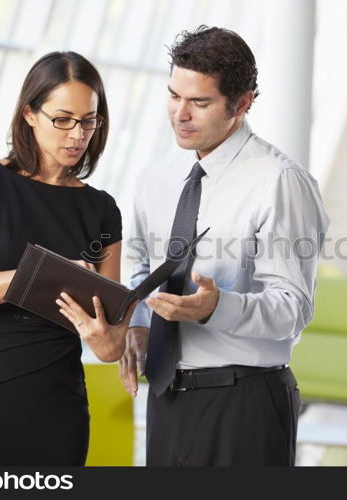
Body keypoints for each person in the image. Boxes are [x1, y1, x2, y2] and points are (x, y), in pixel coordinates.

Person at [119, 26, 330, 466]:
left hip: (245, 403)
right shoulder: (154, 177)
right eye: (174, 95)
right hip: (166, 399)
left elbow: (293, 308)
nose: (180, 114)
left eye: (199, 103)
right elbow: (141, 264)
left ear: (242, 103)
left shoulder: (278, 181)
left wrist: (216, 308)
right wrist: (139, 324)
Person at [0, 51, 134, 466]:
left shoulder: (102, 210)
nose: (78, 134)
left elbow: (112, 343)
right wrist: (47, 274)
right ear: (29, 114)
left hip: (57, 404)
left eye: (89, 121)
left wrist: (103, 339)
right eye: (63, 119)